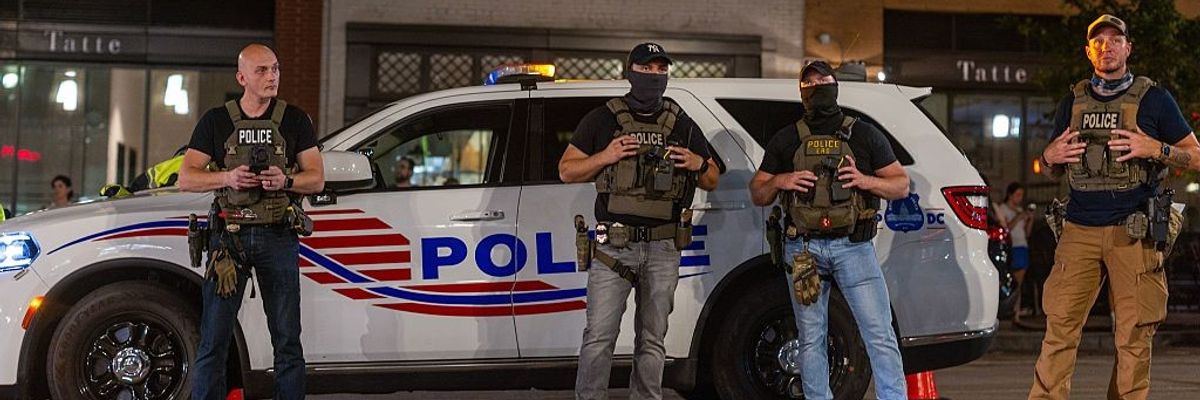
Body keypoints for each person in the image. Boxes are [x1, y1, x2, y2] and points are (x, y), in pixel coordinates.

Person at [1030, 14, 1200, 400]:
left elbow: (1196, 156)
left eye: (1114, 40)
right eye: (1099, 42)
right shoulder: (1072, 100)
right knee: (1059, 332)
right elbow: (1051, 160)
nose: (1107, 47)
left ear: (1128, 48)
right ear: (1089, 51)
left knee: (1134, 336)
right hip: (1077, 230)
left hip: (1133, 233)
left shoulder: (1155, 99)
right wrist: (1047, 154)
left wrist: (1154, 148)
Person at [559, 42, 719, 400]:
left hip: (663, 247)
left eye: (660, 70)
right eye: (646, 69)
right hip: (614, 248)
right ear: (630, 70)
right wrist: (606, 154)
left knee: (652, 339)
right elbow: (567, 171)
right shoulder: (603, 118)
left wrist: (698, 163)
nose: (654, 76)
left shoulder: (680, 121)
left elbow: (712, 179)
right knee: (599, 337)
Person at [748, 60, 910, 400]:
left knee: (879, 334)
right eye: (810, 81)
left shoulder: (863, 133)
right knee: (811, 337)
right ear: (801, 91)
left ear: (836, 84)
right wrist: (782, 179)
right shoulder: (787, 137)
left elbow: (901, 185)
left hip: (854, 247)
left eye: (824, 78)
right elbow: (759, 192)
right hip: (803, 249)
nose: (818, 84)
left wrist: (864, 180)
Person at [178, 43, 324, 400]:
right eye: (262, 70)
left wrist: (286, 181)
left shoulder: (295, 119)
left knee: (288, 339)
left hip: (278, 236)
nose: (272, 76)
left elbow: (317, 179)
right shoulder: (216, 121)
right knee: (214, 337)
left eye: (275, 68)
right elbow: (187, 177)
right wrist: (227, 179)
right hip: (228, 240)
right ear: (242, 77)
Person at [996, 182, 1033, 320]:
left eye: (1021, 195)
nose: (1020, 198)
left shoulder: (1019, 210)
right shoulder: (1003, 209)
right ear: (1010, 195)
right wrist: (1018, 217)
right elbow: (1006, 228)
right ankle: (1009, 310)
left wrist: (1029, 220)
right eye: (1017, 195)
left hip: (1022, 246)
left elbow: (1027, 233)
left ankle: (1016, 311)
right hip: (1011, 246)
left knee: (1019, 281)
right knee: (1010, 280)